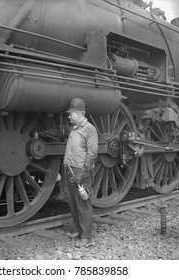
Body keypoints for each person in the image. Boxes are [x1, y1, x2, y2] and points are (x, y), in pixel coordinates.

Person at [63, 98, 98, 248]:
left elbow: (92, 154)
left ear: (78, 113)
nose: (69, 116)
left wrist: (83, 173)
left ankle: (86, 237)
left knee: (83, 204)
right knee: (73, 203)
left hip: (80, 171)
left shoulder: (89, 129)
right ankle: (78, 230)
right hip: (70, 169)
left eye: (71, 114)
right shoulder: (75, 128)